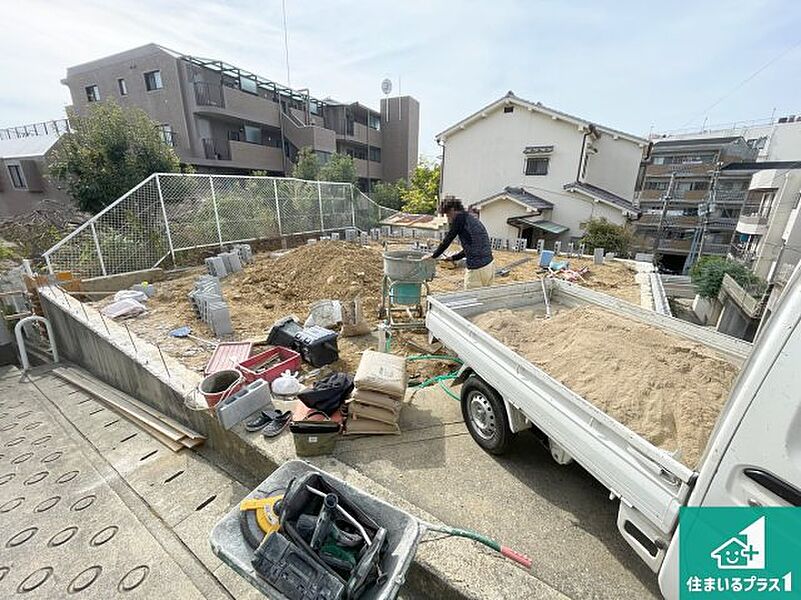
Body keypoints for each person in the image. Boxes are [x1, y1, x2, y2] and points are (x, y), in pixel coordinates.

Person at [426, 197, 495, 289]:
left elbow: (448, 239)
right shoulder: (471, 219)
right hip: (489, 266)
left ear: (453, 210)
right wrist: (453, 258)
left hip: (477, 269)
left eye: (447, 214)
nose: (448, 218)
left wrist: (433, 255)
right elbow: (470, 248)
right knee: (483, 299)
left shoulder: (459, 218)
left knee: (470, 299)